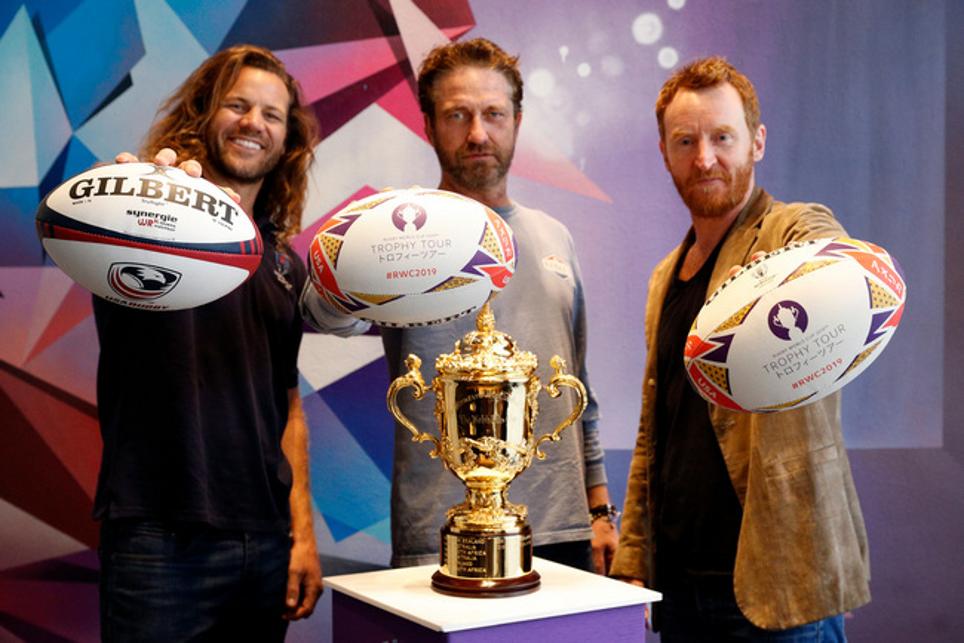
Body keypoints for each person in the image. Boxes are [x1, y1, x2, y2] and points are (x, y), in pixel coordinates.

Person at [301, 38, 619, 574]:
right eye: (457, 115)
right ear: (428, 125)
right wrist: (356, 256)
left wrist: (600, 508)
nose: (477, 133)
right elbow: (324, 315)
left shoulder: (554, 237)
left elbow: (577, 386)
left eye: (493, 114)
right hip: (440, 532)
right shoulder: (401, 240)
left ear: (517, 121)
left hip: (563, 530)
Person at [609, 56, 871, 640]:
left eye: (722, 137)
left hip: (781, 583)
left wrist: (783, 282)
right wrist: (633, 558)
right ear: (665, 153)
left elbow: (839, 265)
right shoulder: (663, 277)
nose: (704, 158)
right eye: (685, 141)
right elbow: (656, 431)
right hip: (679, 588)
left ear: (757, 141)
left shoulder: (792, 228)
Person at [93, 44, 323, 641]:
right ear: (203, 113)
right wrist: (129, 203)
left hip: (265, 543)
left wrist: (301, 534)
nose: (254, 123)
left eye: (272, 115)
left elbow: (287, 405)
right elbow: (96, 242)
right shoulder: (140, 220)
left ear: (287, 140)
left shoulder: (284, 264)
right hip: (159, 539)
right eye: (237, 105)